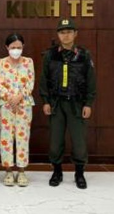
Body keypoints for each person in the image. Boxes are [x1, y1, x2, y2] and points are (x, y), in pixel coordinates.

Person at [40, 18, 96, 189]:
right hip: (56, 104)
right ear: (58, 35)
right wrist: (45, 101)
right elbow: (44, 80)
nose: (66, 35)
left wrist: (88, 103)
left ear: (75, 34)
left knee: (79, 142)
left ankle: (79, 173)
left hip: (76, 104)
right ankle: (57, 171)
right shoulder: (50, 55)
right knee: (55, 142)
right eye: (62, 32)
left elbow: (91, 81)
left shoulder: (84, 55)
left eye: (69, 32)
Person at [0, 33, 35, 187]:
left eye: (19, 47)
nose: (16, 50)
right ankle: (8, 170)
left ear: (23, 47)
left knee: (23, 137)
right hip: (6, 105)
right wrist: (10, 98)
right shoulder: (0, 63)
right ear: (7, 47)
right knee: (6, 137)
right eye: (13, 47)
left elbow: (30, 82)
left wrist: (19, 97)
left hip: (24, 104)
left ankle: (22, 170)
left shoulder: (28, 62)